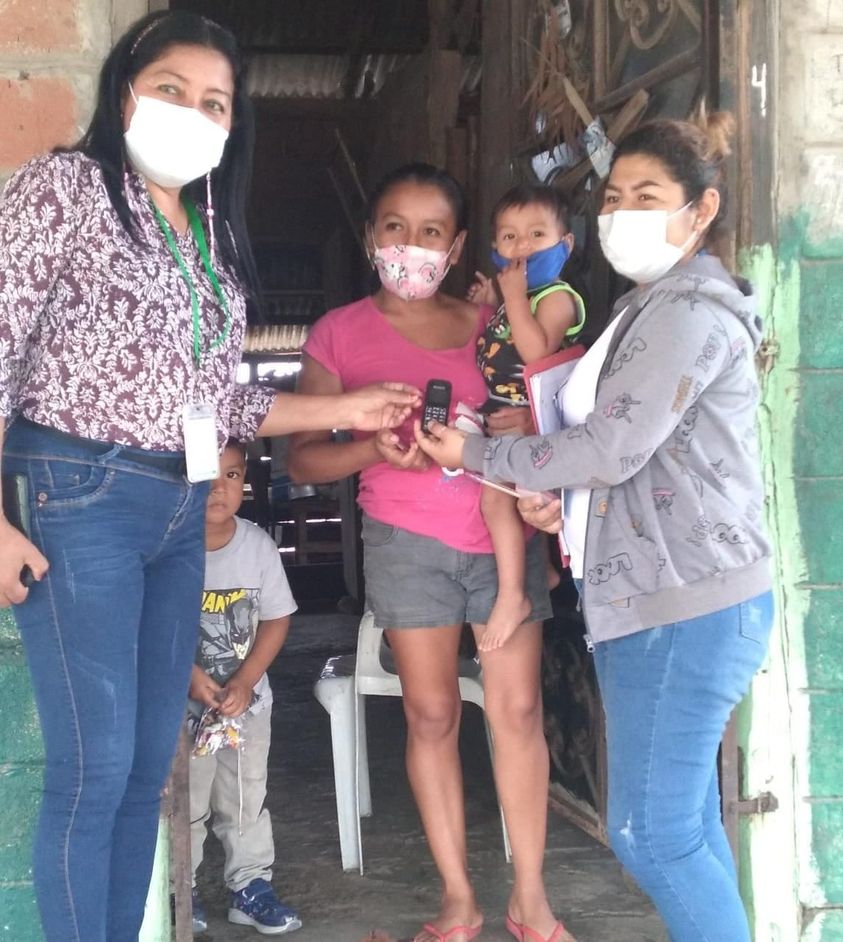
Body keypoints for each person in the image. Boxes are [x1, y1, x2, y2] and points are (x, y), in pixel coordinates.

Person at [0, 12, 418, 942]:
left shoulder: (207, 236)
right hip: (78, 492)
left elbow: (220, 403)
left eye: (215, 103)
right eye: (172, 90)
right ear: (125, 95)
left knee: (146, 772)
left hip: (177, 506)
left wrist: (351, 407)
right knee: (92, 771)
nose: (193, 113)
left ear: (233, 126)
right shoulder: (65, 189)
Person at [415, 111, 774, 942]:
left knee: (651, 834)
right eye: (613, 197)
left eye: (647, 196)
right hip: (662, 595)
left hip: (681, 603)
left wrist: (478, 454)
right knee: (683, 827)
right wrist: (559, 503)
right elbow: (633, 458)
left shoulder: (685, 314)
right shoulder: (647, 309)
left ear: (701, 209)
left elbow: (609, 449)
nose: (622, 213)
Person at [288, 163, 575, 942]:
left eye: (430, 232)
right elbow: (301, 458)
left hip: (504, 538)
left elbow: (547, 401)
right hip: (405, 544)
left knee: (518, 710)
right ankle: (458, 900)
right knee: (430, 714)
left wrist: (526, 428)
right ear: (370, 238)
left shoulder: (493, 322)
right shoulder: (338, 333)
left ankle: (530, 899)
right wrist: (371, 449)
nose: (410, 245)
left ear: (454, 247)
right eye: (394, 228)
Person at [188, 441, 300, 936]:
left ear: (245, 480)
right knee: (186, 800)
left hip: (247, 708)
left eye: (231, 475)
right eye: (207, 475)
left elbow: (276, 619)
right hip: (184, 709)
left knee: (245, 796)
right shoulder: (170, 546)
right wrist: (188, 676)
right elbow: (150, 623)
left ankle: (250, 886)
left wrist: (246, 680)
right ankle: (180, 888)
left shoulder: (256, 546)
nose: (219, 487)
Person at [467, 184, 585, 651]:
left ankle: (513, 594)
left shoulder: (557, 298)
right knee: (515, 502)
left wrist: (512, 298)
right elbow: (504, 342)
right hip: (504, 419)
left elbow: (535, 351)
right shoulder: (514, 299)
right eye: (510, 237)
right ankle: (547, 572)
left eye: (537, 234)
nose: (523, 247)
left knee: (496, 502)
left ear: (565, 244)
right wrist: (491, 305)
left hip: (534, 426)